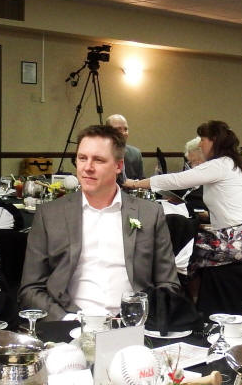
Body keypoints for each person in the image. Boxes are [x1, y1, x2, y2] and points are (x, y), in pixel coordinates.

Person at [19, 125, 180, 320]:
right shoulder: (50, 214)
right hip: (69, 323)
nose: (87, 167)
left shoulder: (149, 214)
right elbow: (30, 289)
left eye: (98, 160)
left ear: (118, 166)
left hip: (133, 324)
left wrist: (141, 317)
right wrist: (67, 320)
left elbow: (168, 284)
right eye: (82, 158)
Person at [124, 120, 242, 270]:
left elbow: (177, 180)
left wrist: (135, 184)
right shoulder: (229, 163)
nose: (200, 144)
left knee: (173, 247)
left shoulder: (220, 165)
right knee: (178, 241)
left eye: (203, 140)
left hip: (240, 238)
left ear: (214, 140)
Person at [105, 114, 144, 180]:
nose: (123, 133)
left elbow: (141, 180)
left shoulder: (135, 153)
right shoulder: (98, 153)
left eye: (125, 129)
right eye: (118, 129)